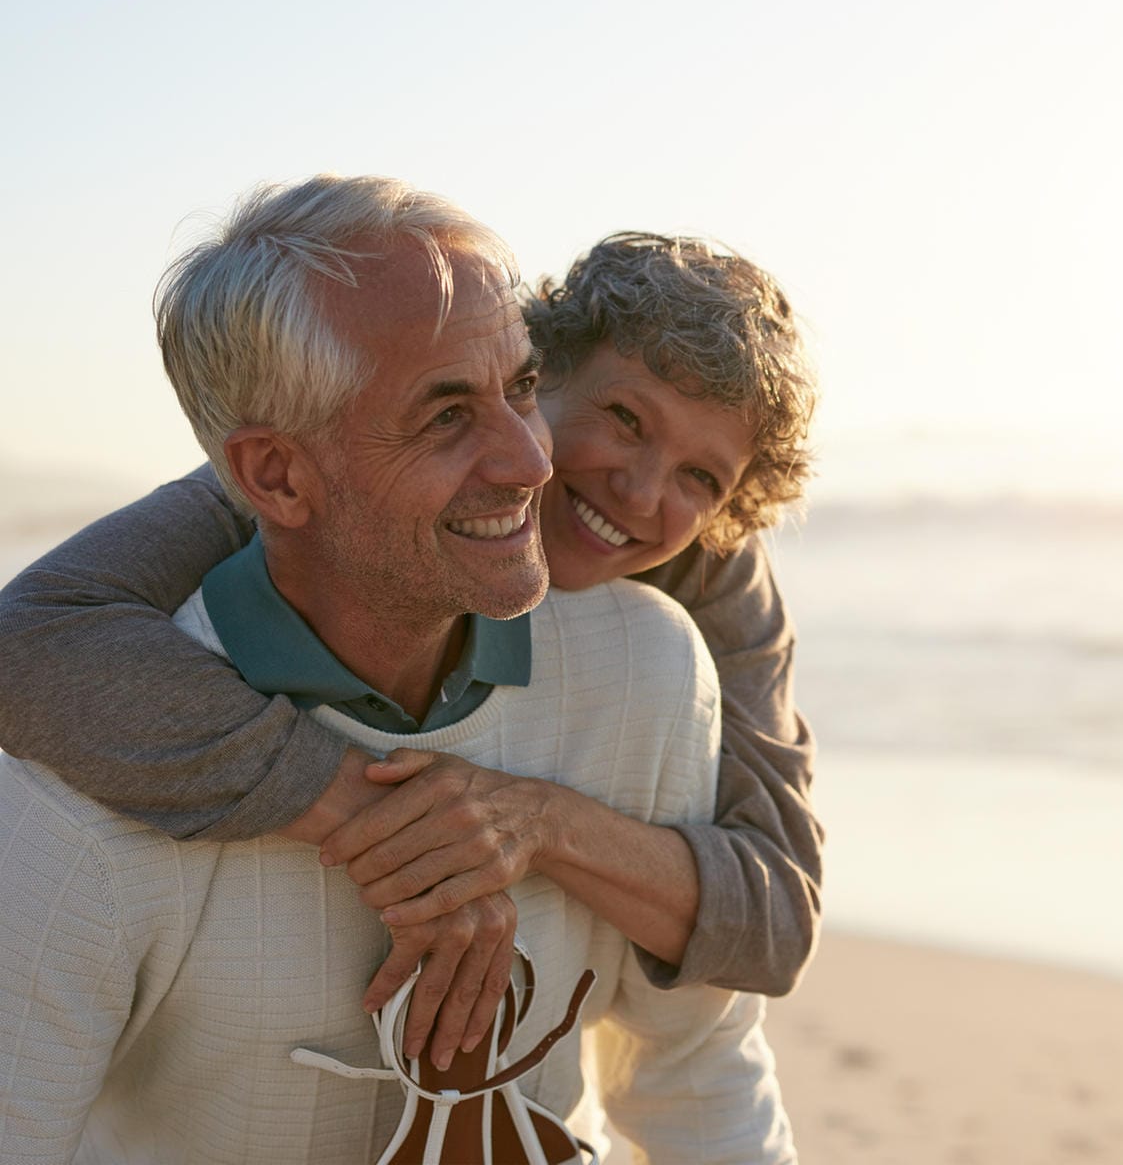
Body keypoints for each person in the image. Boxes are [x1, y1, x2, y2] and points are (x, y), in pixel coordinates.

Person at [0, 176, 794, 1162]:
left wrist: (533, 819)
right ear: (276, 476)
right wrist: (387, 825)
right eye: (448, 413)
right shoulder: (80, 754)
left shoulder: (662, 655)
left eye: (514, 390)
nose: (531, 461)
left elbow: (726, 1018)